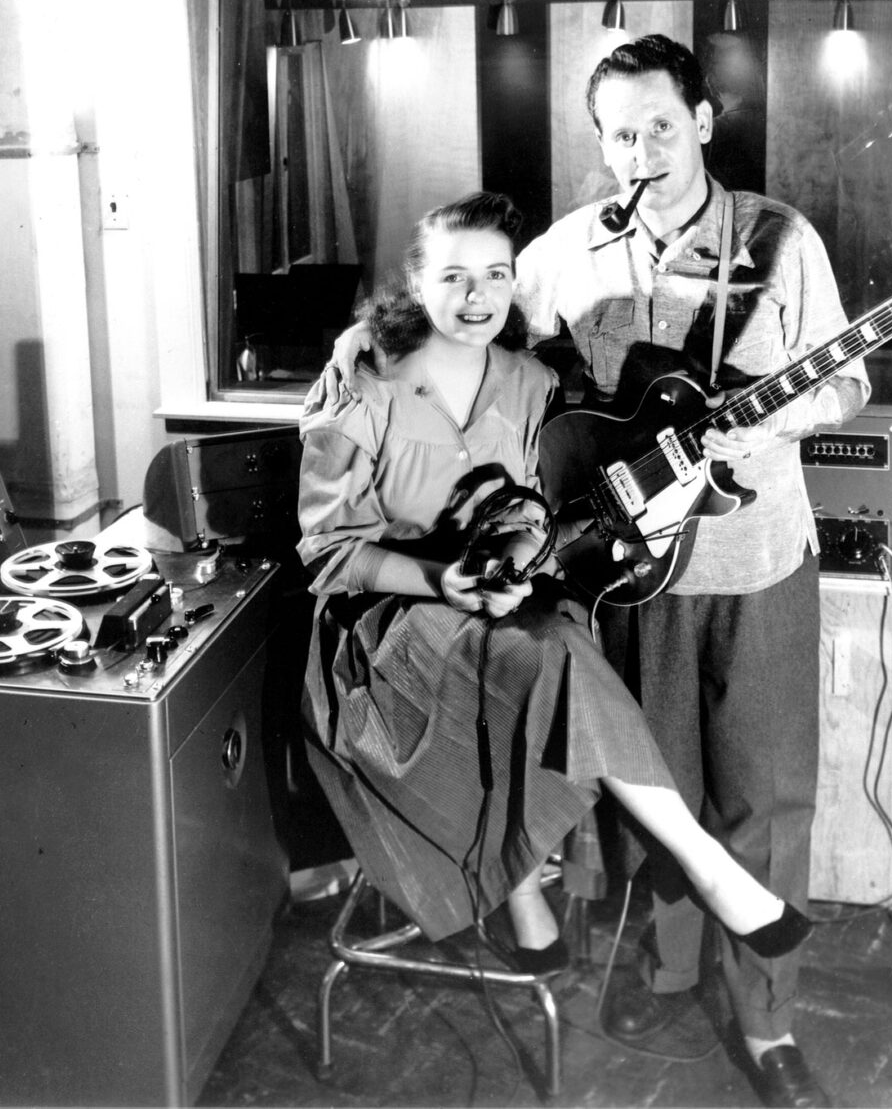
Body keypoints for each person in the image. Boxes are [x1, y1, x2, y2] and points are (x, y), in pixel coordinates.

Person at [325, 41, 869, 1109]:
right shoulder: (561, 253)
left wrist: (777, 420)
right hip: (630, 574)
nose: (642, 150)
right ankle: (667, 973)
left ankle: (767, 1023)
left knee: (765, 796)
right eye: (620, 133)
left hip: (756, 561)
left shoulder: (779, 238)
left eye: (661, 125)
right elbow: (482, 355)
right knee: (657, 790)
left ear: (701, 122)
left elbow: (846, 381)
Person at [297, 190, 812, 990]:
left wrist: (515, 552)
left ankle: (522, 888)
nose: (476, 298)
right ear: (416, 283)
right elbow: (328, 553)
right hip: (386, 628)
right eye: (453, 277)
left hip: (498, 610)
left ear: (516, 284)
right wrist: (443, 581)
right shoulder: (364, 378)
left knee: (555, 632)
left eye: (496, 275)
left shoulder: (532, 382)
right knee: (555, 647)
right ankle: (702, 864)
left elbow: (532, 507)